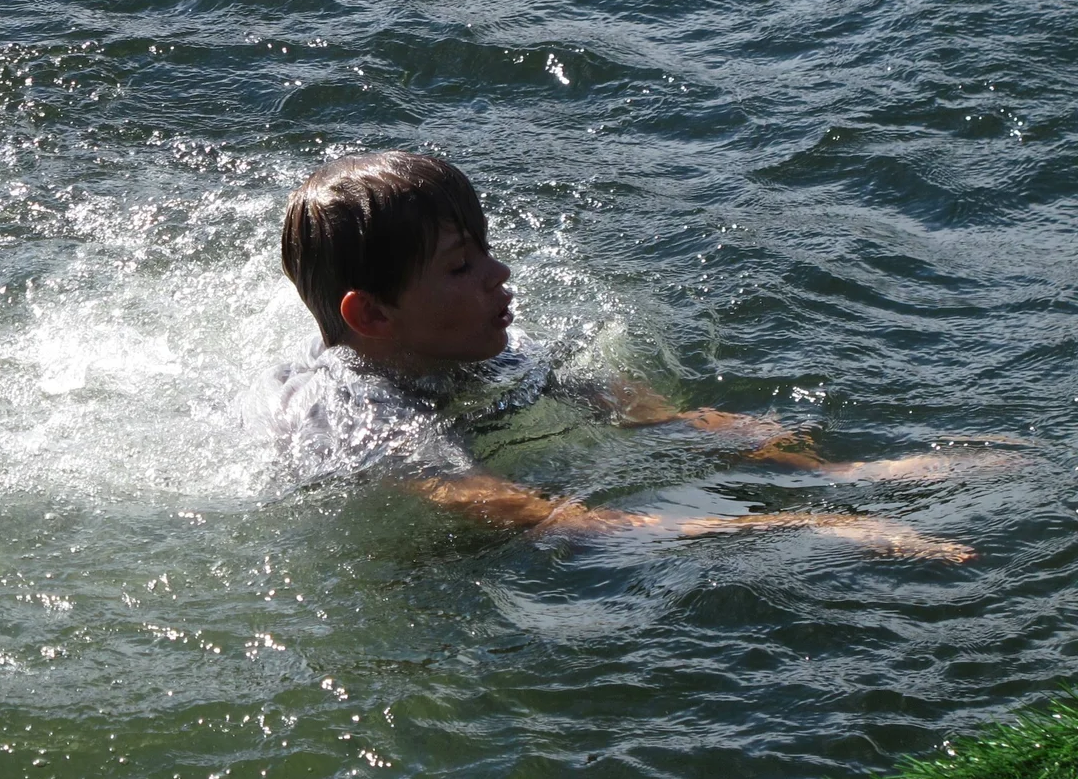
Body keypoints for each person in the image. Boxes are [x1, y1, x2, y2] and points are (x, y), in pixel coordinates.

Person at [264, 150, 977, 560]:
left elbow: (664, 422)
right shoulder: (357, 421)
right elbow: (554, 520)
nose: (500, 275)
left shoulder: (496, 353)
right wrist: (807, 528)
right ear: (373, 315)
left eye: (486, 250)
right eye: (461, 267)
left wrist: (848, 478)